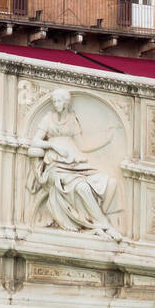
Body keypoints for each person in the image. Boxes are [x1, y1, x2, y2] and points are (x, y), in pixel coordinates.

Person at [26, 87, 121, 239]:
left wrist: (106, 139)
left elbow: (83, 145)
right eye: (54, 101)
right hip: (55, 167)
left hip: (74, 164)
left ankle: (99, 221)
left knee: (107, 181)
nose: (56, 104)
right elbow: (36, 140)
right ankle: (103, 225)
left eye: (59, 101)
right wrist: (52, 145)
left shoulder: (71, 119)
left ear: (66, 103)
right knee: (82, 187)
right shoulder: (48, 118)